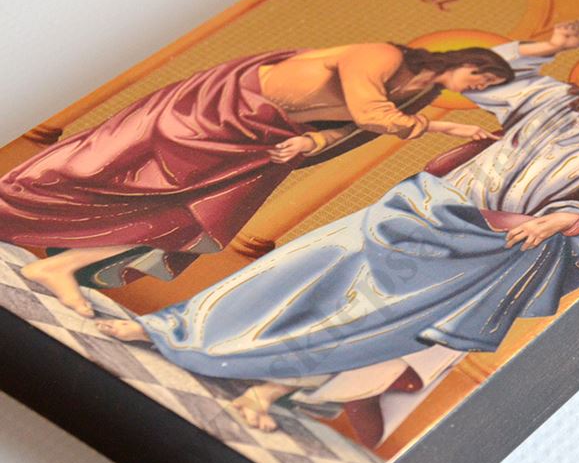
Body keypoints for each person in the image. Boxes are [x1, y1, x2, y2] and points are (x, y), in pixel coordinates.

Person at [97, 21, 579, 434]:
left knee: (376, 322)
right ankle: (170, 328)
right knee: (301, 265)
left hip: (494, 242)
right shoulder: (554, 101)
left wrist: (557, 220)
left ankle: (268, 390)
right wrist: (547, 46)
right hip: (431, 203)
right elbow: (488, 73)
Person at [0, 42, 513, 317]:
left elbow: (349, 130)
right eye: (482, 77)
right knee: (107, 173)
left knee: (199, 224)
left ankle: (63, 266)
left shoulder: (416, 96)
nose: (478, 87)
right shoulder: (383, 55)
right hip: (219, 111)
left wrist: (311, 143)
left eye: (486, 86)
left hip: (269, 140)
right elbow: (367, 111)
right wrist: (446, 127)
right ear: (464, 61)